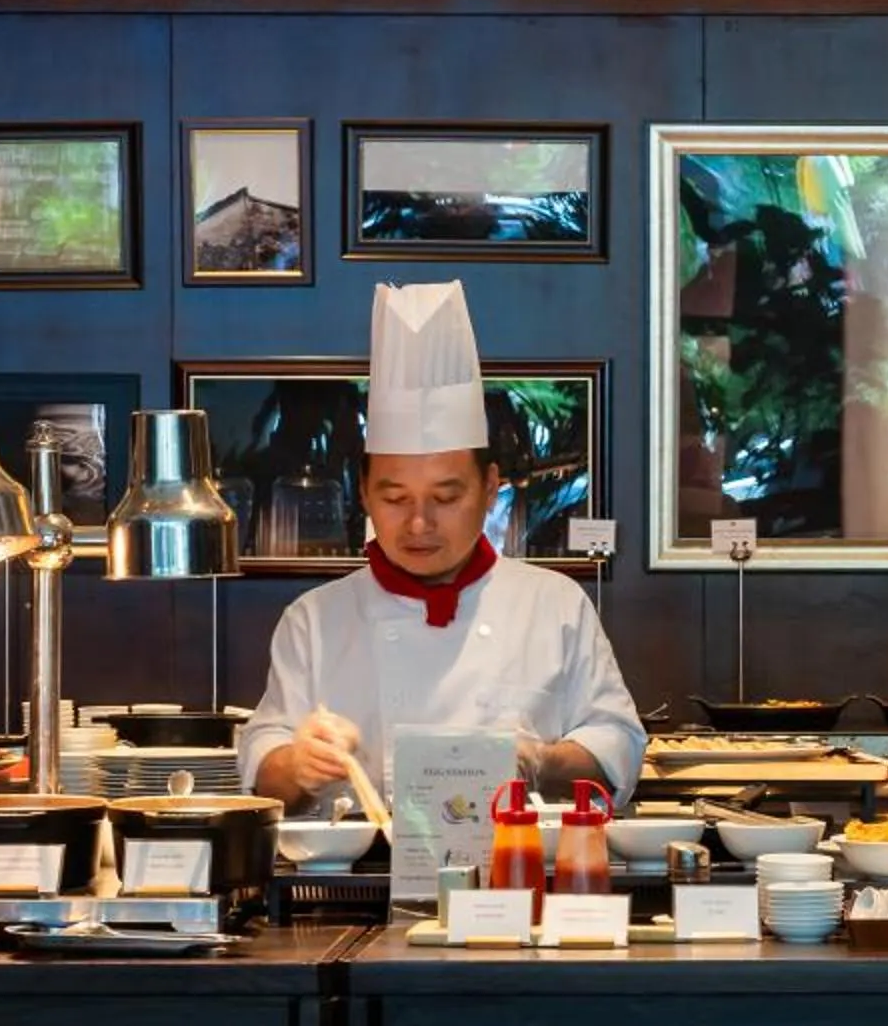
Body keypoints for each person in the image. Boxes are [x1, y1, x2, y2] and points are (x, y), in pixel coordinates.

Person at [240, 281, 643, 807]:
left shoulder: (555, 605)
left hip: (513, 857)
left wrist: (540, 761)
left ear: (490, 487)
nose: (418, 523)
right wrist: (297, 764)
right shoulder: (313, 620)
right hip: (362, 860)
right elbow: (263, 766)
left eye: (446, 497)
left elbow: (617, 748)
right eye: (395, 498)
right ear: (363, 492)